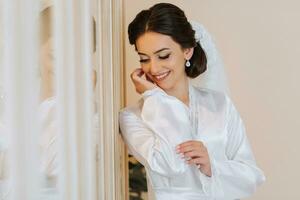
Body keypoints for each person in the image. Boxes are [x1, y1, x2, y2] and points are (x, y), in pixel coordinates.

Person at [119, 3, 265, 200]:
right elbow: (171, 164)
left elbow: (251, 177)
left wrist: (211, 165)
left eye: (164, 55)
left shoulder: (220, 105)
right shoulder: (133, 117)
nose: (153, 68)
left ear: (187, 51)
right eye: (144, 59)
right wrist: (155, 97)